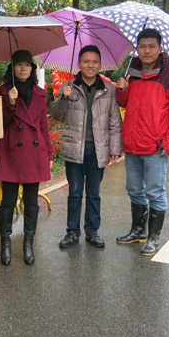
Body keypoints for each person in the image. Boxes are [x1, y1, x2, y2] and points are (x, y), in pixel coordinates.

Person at [115, 28, 169, 256]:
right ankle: (138, 230)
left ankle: (153, 238)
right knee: (134, 190)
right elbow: (125, 103)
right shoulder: (133, 72)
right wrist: (122, 91)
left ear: (160, 48)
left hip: (156, 147)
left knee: (155, 192)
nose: (146, 51)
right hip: (132, 144)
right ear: (137, 48)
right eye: (142, 46)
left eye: (151, 46)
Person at [51, 45, 122, 249]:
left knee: (93, 193)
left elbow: (115, 120)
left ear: (100, 65)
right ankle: (72, 232)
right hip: (74, 148)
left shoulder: (108, 89)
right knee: (74, 192)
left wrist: (115, 148)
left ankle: (92, 232)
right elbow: (56, 115)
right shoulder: (68, 86)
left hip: (98, 149)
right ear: (79, 64)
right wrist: (63, 98)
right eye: (86, 61)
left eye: (94, 62)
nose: (90, 65)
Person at [0, 50, 53, 265]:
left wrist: (49, 152)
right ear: (12, 68)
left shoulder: (39, 93)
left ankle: (28, 244)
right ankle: (5, 244)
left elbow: (43, 126)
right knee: (8, 201)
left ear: (32, 68)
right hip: (11, 151)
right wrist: (9, 103)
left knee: (31, 201)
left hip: (33, 152)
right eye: (19, 64)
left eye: (27, 65)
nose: (23, 68)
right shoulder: (2, 91)